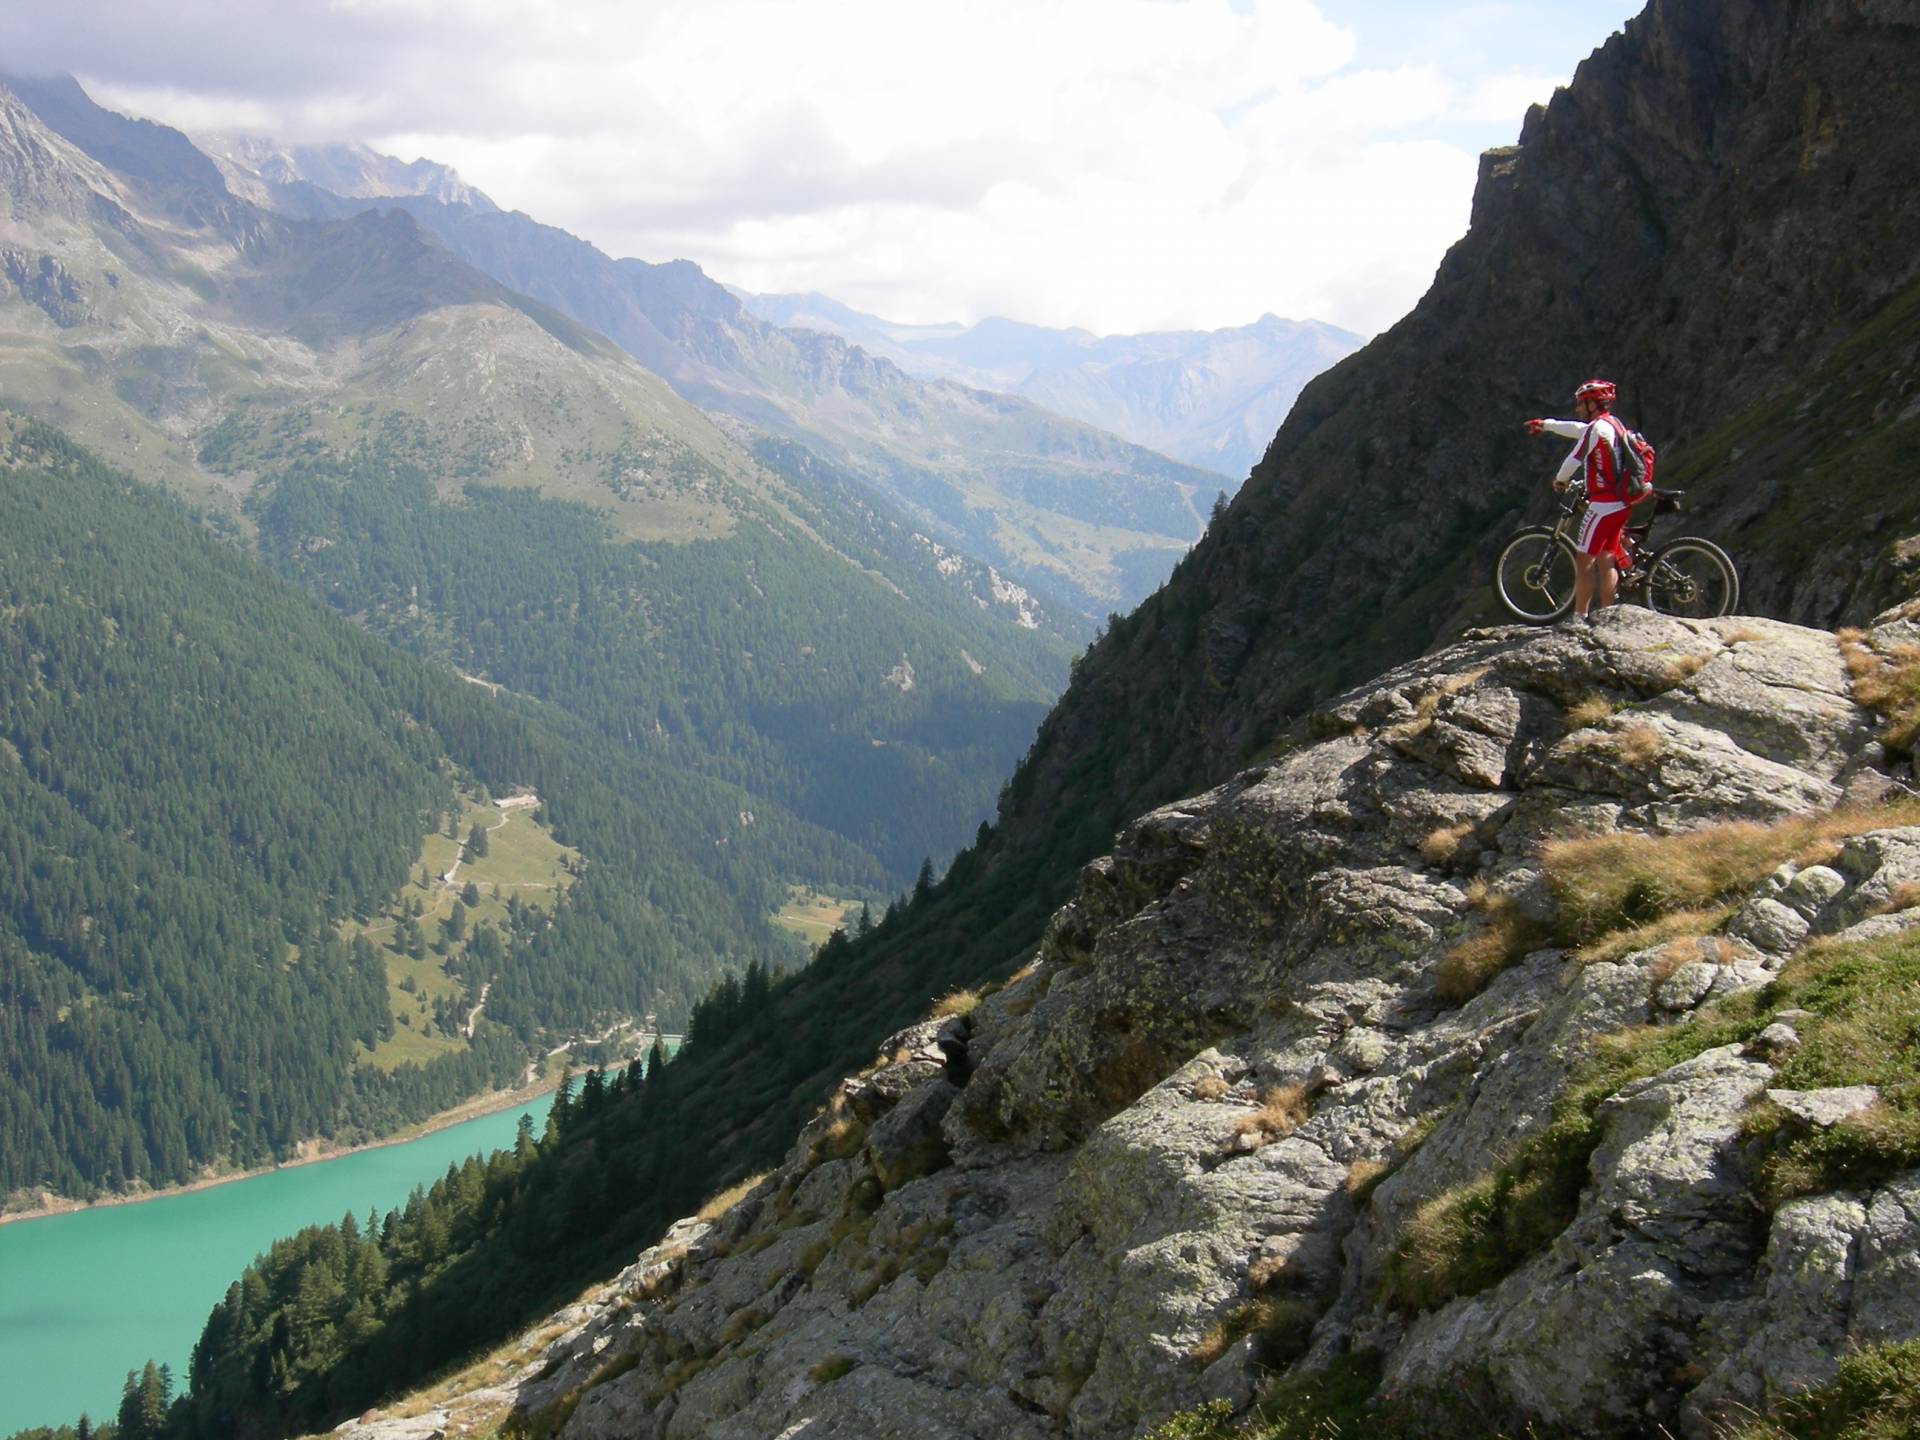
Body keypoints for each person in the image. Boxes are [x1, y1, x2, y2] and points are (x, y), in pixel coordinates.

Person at [1525, 378, 1640, 623]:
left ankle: (1579, 617)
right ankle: (1607, 617)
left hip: (1602, 506)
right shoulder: (1612, 424)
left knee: (1584, 558)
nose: (1577, 409)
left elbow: (1574, 459)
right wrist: (1546, 425)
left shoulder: (1596, 429)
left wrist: (1560, 481)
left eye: (1581, 404)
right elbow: (1576, 429)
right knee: (1606, 557)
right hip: (1619, 503)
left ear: (1592, 405)